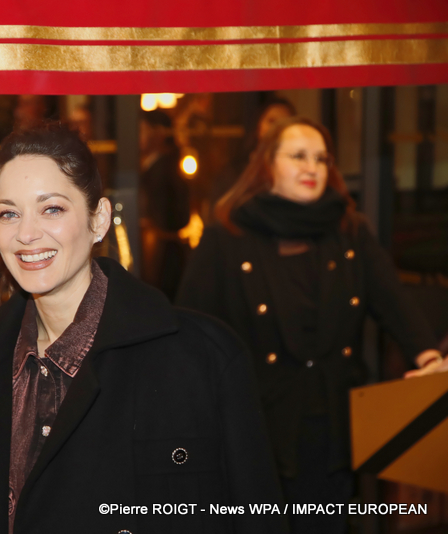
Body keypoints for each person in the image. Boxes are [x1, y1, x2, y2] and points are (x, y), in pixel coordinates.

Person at [0, 123, 286, 534]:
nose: (26, 233)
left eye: (52, 208)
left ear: (100, 220)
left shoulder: (201, 358)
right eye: (9, 213)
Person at [177, 116, 444, 534]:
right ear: (267, 165)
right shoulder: (227, 237)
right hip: (257, 424)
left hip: (334, 425)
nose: (312, 167)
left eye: (321, 158)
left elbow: (396, 304)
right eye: (298, 156)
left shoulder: (351, 231)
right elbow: (190, 332)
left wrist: (430, 359)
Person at [139, 110, 191, 298]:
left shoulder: (163, 170)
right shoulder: (152, 168)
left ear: (159, 133)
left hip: (161, 259)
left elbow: (169, 218)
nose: (137, 135)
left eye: (142, 129)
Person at [209, 96, 296, 207]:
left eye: (284, 123)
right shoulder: (232, 171)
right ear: (258, 125)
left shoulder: (297, 173)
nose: (277, 128)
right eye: (271, 121)